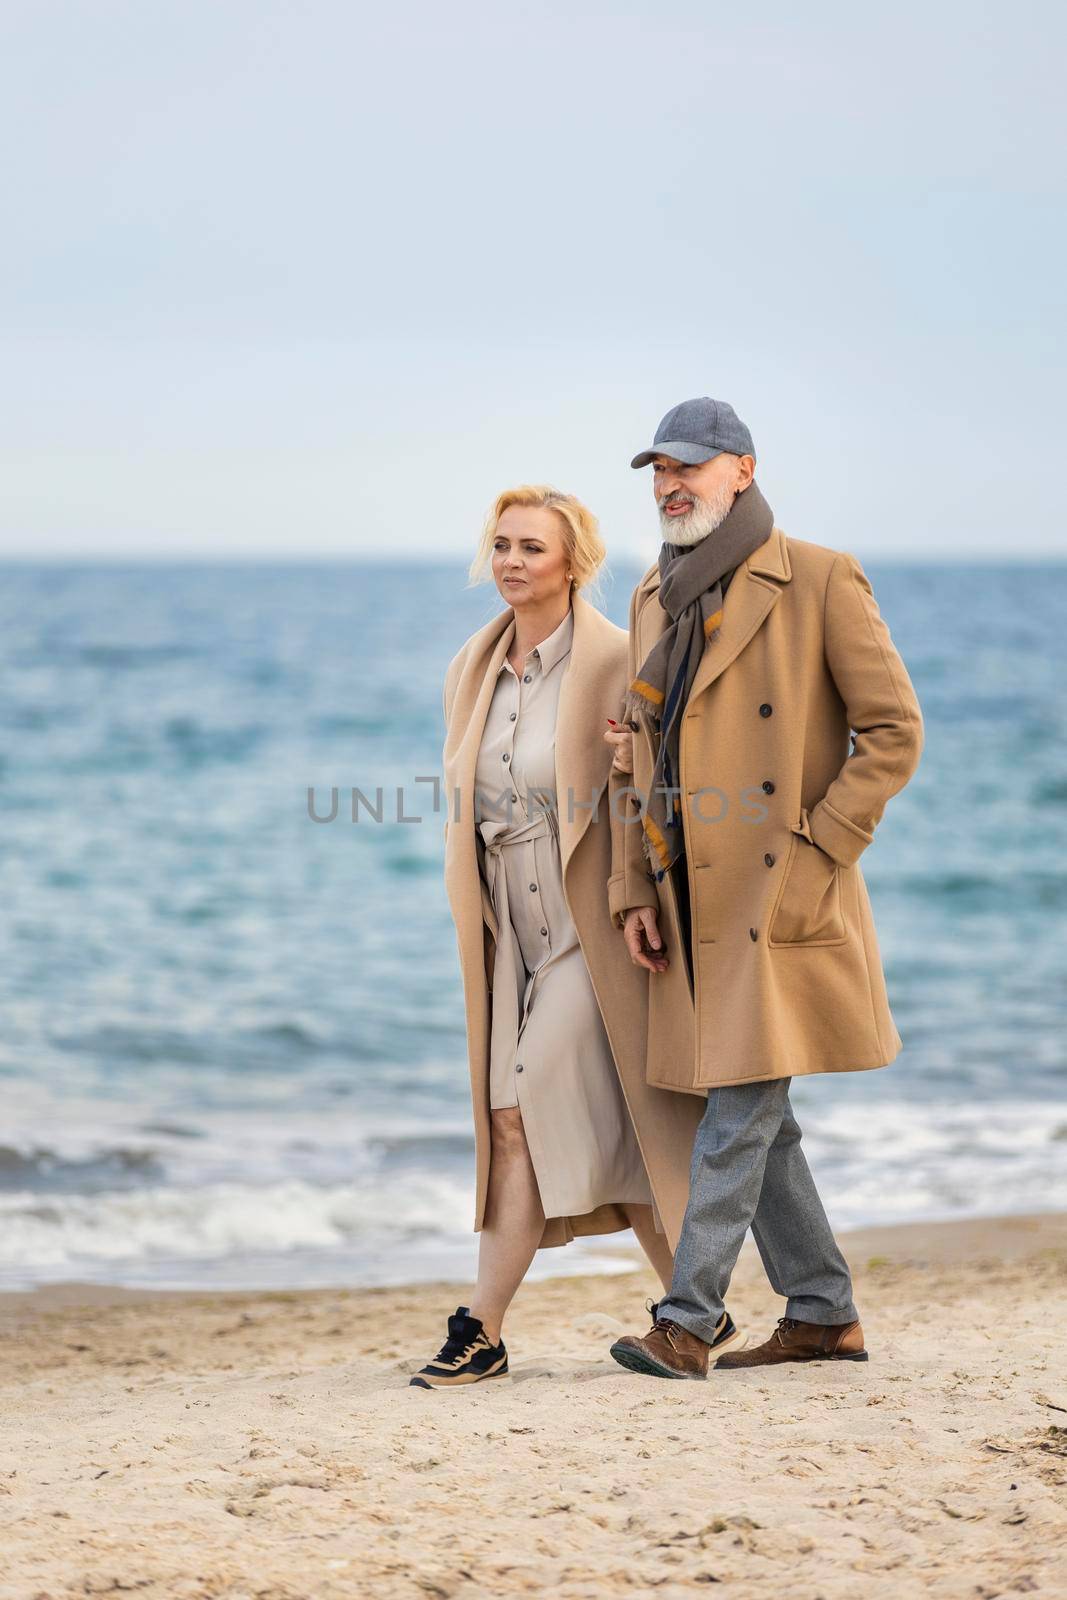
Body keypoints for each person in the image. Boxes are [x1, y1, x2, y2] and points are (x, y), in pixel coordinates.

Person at [605, 398, 924, 1379]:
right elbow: (635, 756)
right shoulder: (654, 597)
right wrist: (632, 888)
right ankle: (823, 1311)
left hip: (777, 889)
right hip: (690, 890)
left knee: (739, 1103)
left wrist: (818, 850)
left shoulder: (818, 577)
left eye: (690, 468)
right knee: (758, 1111)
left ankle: (688, 1319)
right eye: (658, 470)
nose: (670, 485)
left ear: (741, 470)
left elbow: (892, 733)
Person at [411, 485, 734, 1388]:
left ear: (571, 563)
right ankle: (692, 1308)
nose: (512, 562)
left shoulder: (615, 658)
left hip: (587, 926)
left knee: (515, 1112)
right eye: (502, 545)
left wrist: (638, 764)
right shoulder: (469, 668)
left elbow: (666, 782)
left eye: (532, 549)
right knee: (615, 1131)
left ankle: (481, 1330)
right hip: (503, 928)